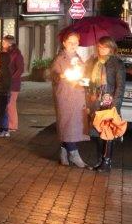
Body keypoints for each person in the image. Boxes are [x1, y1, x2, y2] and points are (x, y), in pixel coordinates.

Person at [84, 36, 126, 172]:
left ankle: (106, 162)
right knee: (96, 132)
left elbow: (120, 87)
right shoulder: (93, 61)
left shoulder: (117, 63)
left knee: (107, 132)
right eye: (100, 47)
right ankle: (99, 160)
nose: (102, 49)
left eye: (105, 47)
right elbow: (87, 80)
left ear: (111, 48)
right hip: (95, 101)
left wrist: (116, 105)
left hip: (109, 103)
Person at [50, 32, 89, 167]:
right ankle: (73, 153)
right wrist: (61, 75)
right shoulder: (60, 58)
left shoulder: (78, 58)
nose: (73, 45)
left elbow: (83, 73)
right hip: (65, 95)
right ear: (64, 43)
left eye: (76, 42)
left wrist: (84, 79)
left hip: (78, 94)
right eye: (70, 42)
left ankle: (63, 152)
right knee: (67, 123)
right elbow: (53, 74)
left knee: (75, 124)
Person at [3, 35, 24, 132]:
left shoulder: (17, 55)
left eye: (4, 42)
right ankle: (8, 124)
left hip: (13, 84)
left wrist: (12, 78)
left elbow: (20, 69)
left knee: (11, 104)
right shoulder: (5, 53)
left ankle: (13, 125)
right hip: (6, 83)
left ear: (10, 43)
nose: (2, 44)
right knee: (7, 104)